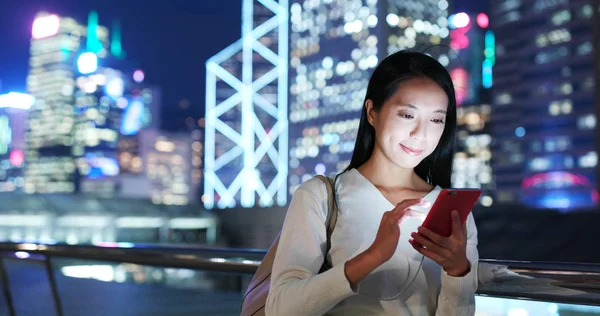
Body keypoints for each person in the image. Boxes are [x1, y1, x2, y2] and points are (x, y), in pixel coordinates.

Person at [265, 50, 478, 315]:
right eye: (407, 115)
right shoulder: (320, 196)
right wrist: (372, 257)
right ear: (372, 113)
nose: (420, 134)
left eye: (436, 120)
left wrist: (458, 272)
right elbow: (280, 309)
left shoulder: (452, 213)